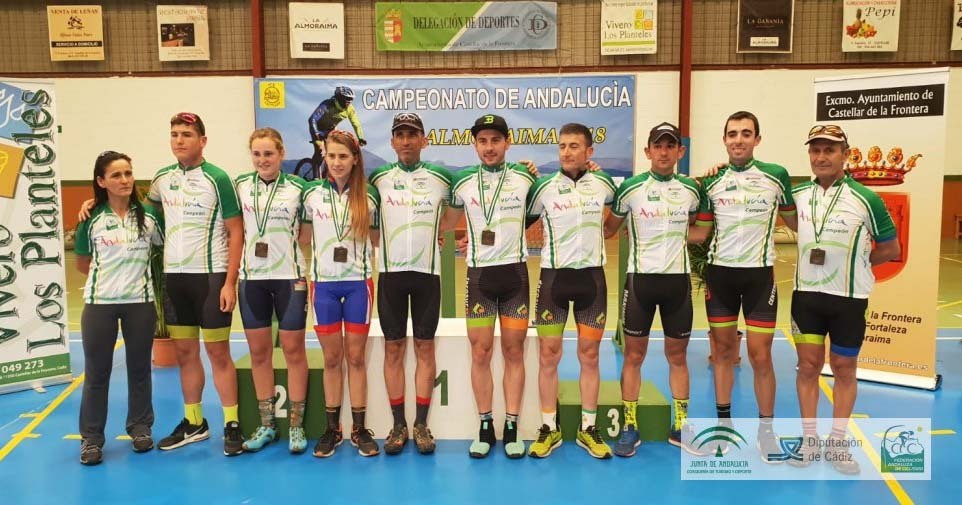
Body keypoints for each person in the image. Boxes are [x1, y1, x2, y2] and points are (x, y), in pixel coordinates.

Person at [787, 124, 899, 474]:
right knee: (808, 367)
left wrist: (859, 264)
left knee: (844, 367)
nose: (821, 157)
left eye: (829, 150)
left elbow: (891, 249)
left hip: (848, 299)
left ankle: (837, 443)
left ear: (845, 155)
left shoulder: (867, 199)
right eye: (815, 150)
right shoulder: (798, 195)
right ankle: (809, 439)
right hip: (806, 296)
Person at [689, 111, 797, 460]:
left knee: (761, 356)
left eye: (746, 133)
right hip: (720, 277)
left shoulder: (776, 176)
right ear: (724, 140)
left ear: (757, 139)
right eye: (732, 134)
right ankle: (724, 426)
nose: (739, 139)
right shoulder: (712, 181)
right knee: (722, 352)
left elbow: (798, 221)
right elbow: (700, 232)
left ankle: (766, 432)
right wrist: (659, 227)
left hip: (759, 278)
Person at [603, 122, 705, 457]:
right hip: (640, 283)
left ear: (680, 151)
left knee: (678, 357)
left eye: (669, 145)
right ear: (647, 151)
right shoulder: (630, 189)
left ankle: (681, 427)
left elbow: (697, 228)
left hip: (677, 284)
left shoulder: (691, 190)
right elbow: (609, 229)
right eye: (657, 146)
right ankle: (629, 426)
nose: (663, 151)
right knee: (634, 356)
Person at [442, 114, 535, 459]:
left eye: (496, 140)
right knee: (480, 352)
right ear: (475, 145)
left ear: (507, 143)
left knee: (514, 351)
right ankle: (484, 425)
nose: (489, 147)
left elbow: (538, 212)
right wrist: (455, 238)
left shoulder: (526, 177)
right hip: (479, 277)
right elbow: (447, 222)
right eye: (482, 141)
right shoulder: (463, 181)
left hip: (515, 277)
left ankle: (511, 424)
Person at [524, 123, 615, 459]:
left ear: (589, 151)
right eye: (562, 146)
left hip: (592, 280)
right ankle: (549, 427)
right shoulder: (544, 187)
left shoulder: (604, 185)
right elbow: (515, 223)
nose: (566, 152)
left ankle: (588, 429)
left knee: (590, 356)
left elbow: (618, 218)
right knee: (548, 356)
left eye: (574, 146)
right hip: (554, 281)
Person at [368, 113, 450, 455]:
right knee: (393, 349)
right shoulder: (378, 179)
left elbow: (460, 206)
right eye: (400, 135)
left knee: (425, 348)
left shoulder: (441, 178)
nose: (406, 141)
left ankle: (421, 424)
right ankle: (399, 424)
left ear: (423, 140)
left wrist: (440, 232)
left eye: (412, 134)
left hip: (427, 274)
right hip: (391, 276)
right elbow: (370, 225)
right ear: (392, 142)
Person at [75, 151, 164, 465]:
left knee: (140, 369)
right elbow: (83, 263)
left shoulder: (149, 217)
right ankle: (91, 439)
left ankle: (140, 428)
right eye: (116, 175)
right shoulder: (91, 218)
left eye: (128, 173)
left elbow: (163, 246)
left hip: (140, 303)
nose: (125, 180)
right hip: (100, 305)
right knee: (97, 373)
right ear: (101, 182)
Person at [300, 129, 381, 457]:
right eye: (331, 156)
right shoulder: (310, 194)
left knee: (356, 358)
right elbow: (302, 237)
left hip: (359, 285)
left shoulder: (369, 196)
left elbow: (378, 239)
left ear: (355, 159)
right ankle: (332, 429)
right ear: (325, 157)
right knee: (332, 359)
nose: (336, 162)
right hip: (324, 287)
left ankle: (359, 430)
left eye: (343, 156)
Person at [234, 128, 311, 454]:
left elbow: (306, 234)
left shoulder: (299, 188)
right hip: (251, 279)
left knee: (294, 351)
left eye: (269, 153)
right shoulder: (239, 186)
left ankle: (296, 426)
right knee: (259, 353)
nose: (262, 160)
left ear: (281, 154)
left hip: (289, 277)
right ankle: (267, 425)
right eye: (257, 154)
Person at [307, 86, 367, 179]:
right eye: (346, 99)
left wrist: (361, 137)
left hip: (330, 130)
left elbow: (356, 124)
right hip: (318, 130)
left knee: (335, 151)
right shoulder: (327, 104)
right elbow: (312, 119)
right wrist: (316, 135)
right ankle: (316, 177)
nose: (348, 102)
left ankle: (326, 175)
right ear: (339, 98)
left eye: (350, 100)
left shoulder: (350, 108)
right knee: (320, 151)